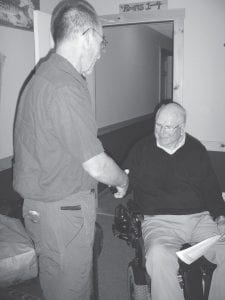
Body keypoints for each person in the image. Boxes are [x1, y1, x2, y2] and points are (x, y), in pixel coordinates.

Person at [13, 1, 128, 299]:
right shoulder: (65, 86)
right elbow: (96, 165)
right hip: (64, 212)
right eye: (101, 42)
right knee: (73, 291)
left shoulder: (41, 78)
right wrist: (122, 180)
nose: (101, 52)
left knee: (54, 286)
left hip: (39, 209)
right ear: (87, 36)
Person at [123, 101, 225, 300]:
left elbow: (211, 189)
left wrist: (221, 217)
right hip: (160, 221)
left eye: (167, 127)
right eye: (157, 125)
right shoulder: (142, 149)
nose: (160, 132)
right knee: (159, 256)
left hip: (200, 220)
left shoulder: (196, 149)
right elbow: (125, 180)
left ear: (182, 128)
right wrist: (119, 184)